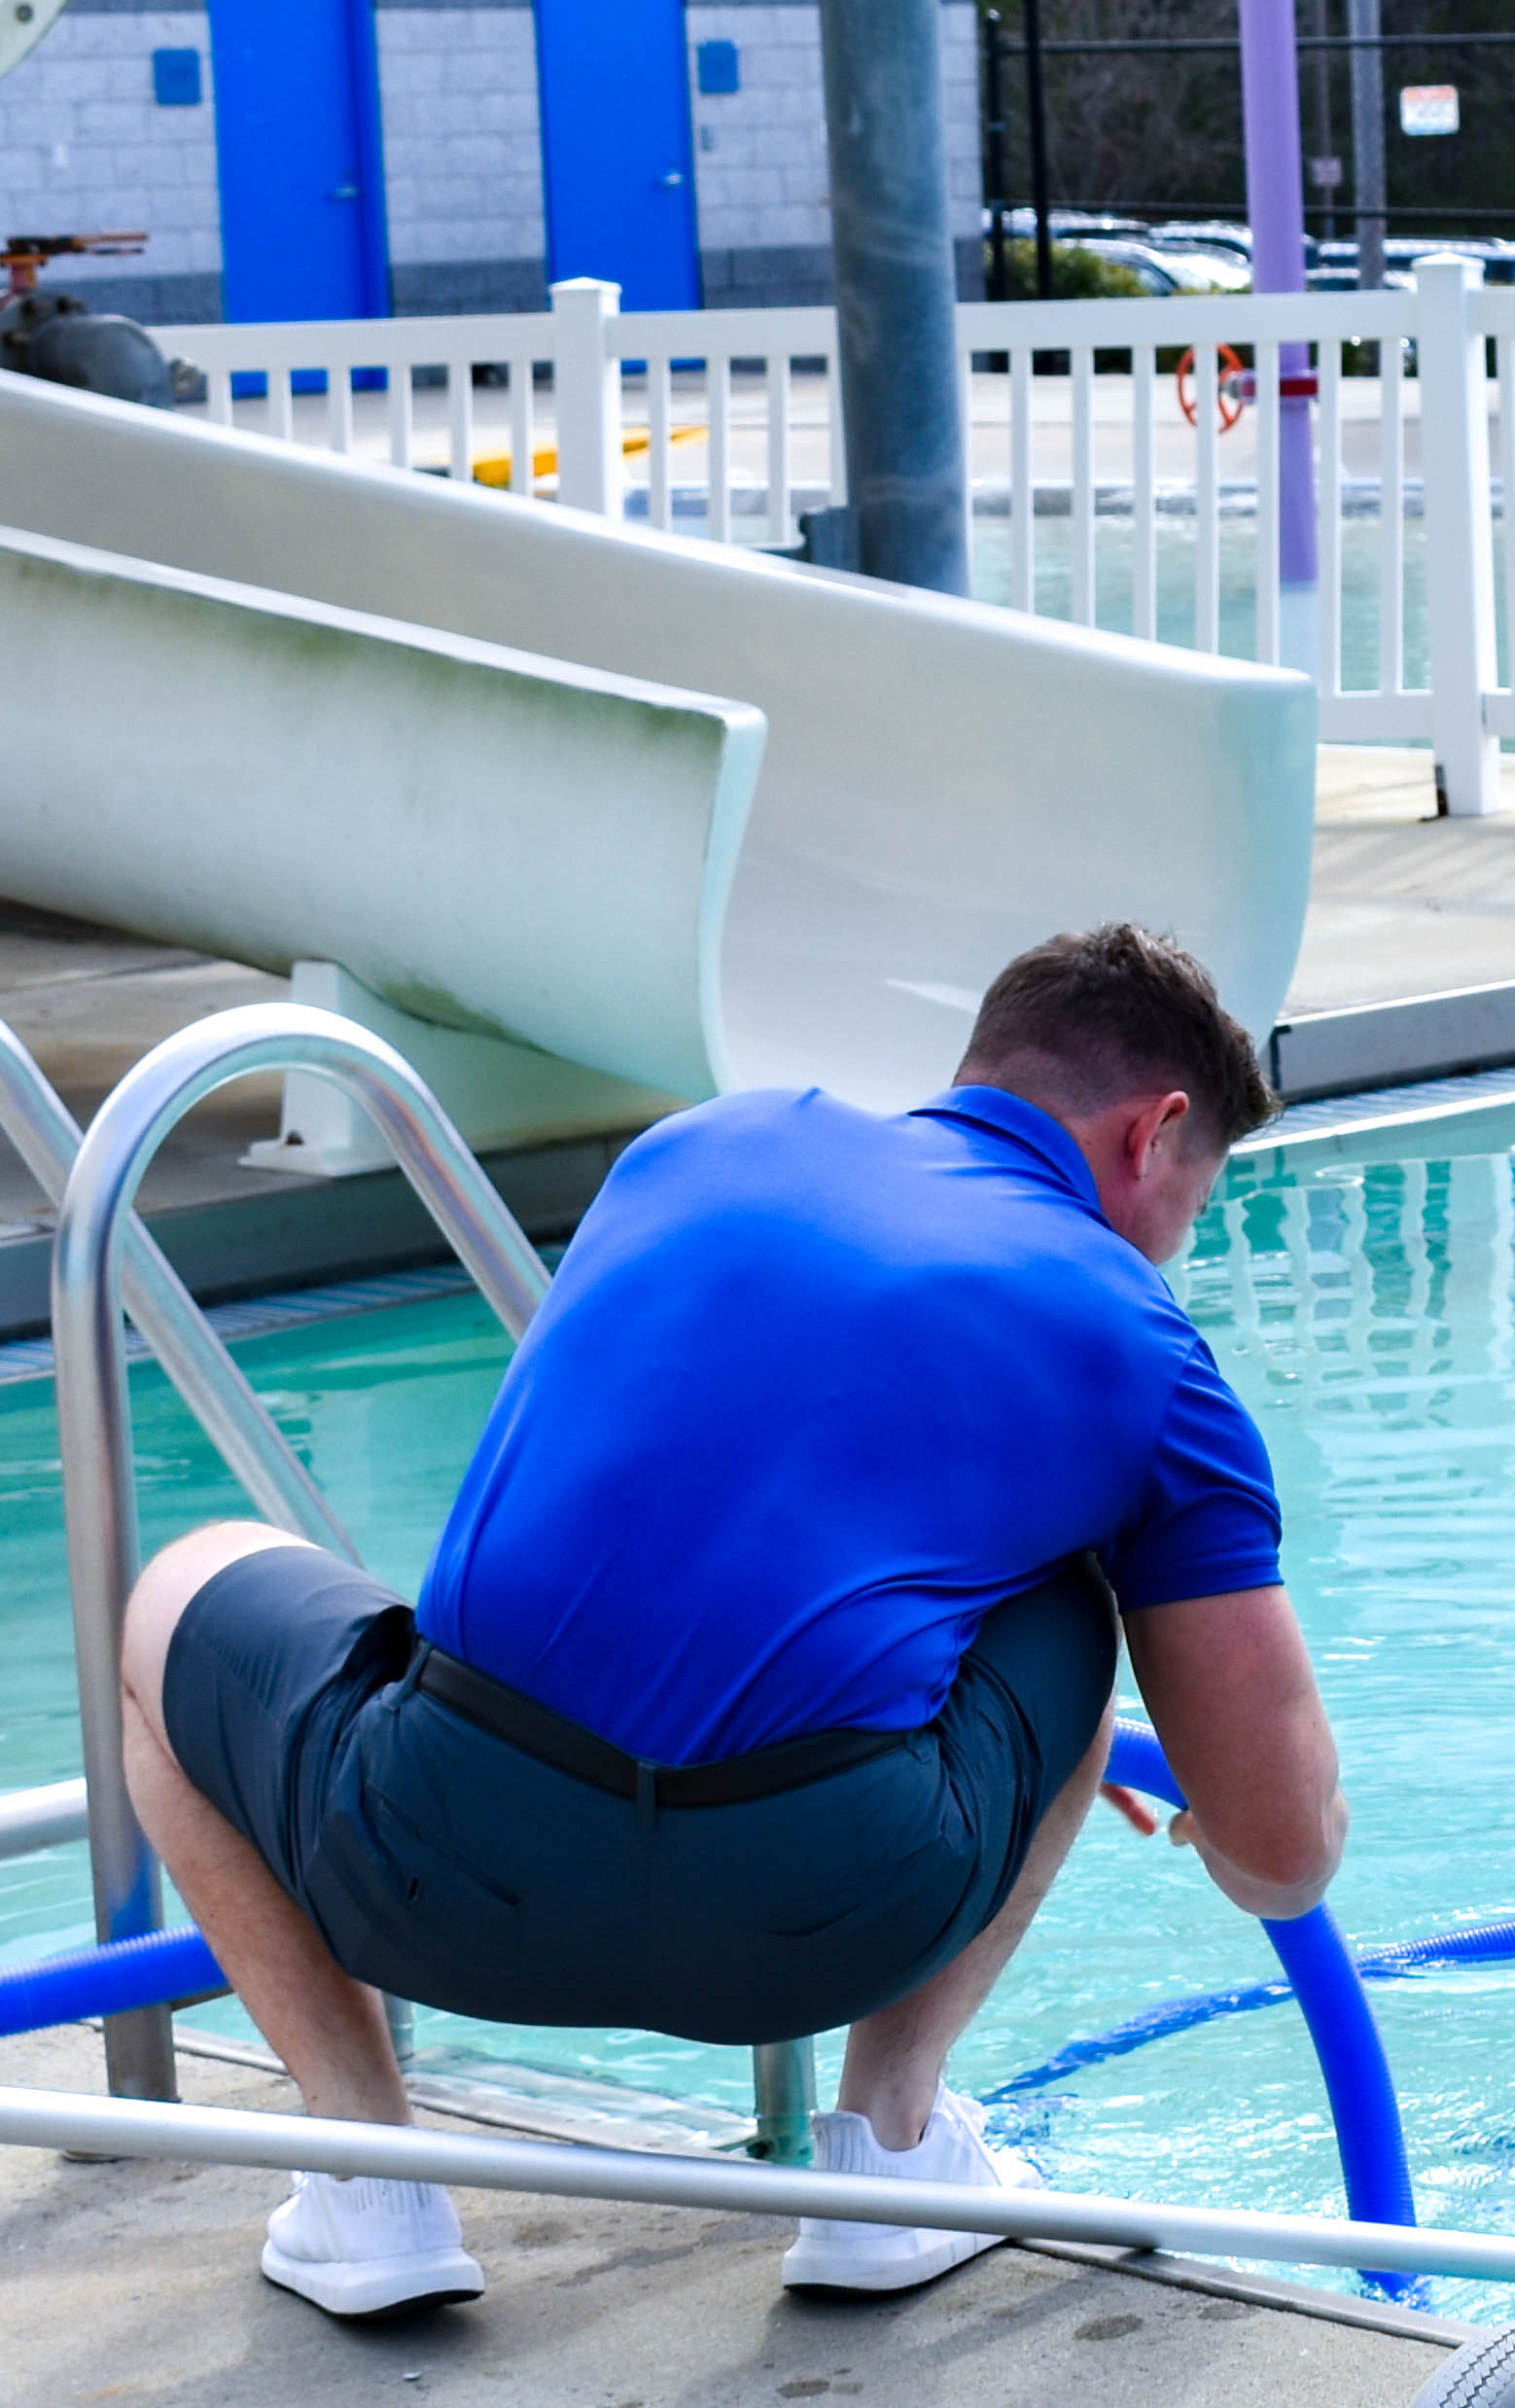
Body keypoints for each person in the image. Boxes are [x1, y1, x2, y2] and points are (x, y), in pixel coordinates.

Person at [123, 924, 1345, 2319]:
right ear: (1155, 1132)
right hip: (818, 1923)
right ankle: (889, 2152)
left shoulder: (697, 1147)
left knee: (178, 1583)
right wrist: (1188, 1791)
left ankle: (366, 2176)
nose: (1174, 1249)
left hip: (436, 1874)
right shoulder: (1140, 1342)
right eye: (1191, 1205)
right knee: (1070, 1584)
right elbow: (1281, 1860)